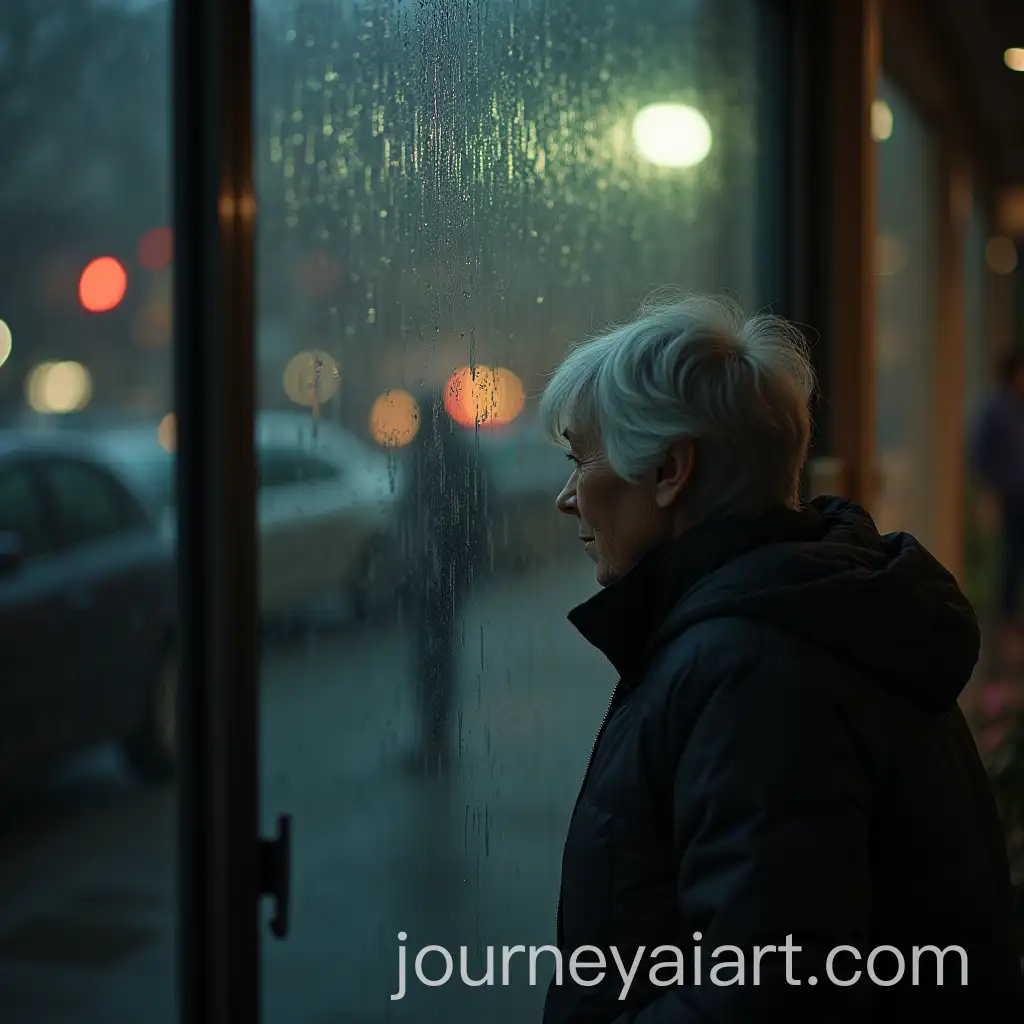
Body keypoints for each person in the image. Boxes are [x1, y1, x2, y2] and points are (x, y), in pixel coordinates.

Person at [537, 293, 1022, 1021]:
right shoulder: (815, 619)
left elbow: (765, 995)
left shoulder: (756, 674)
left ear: (669, 469)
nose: (566, 497)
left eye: (580, 459)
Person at [398, 385, 488, 775]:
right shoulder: (453, 449)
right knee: (436, 649)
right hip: (443, 566)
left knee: (433, 652)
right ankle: (434, 735)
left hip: (439, 567)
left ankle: (434, 737)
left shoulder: (439, 452)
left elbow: (432, 510)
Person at [969, 349, 1024, 652]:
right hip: (1009, 495)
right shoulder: (996, 409)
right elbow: (979, 453)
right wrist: (992, 487)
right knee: (1010, 556)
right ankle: (1005, 616)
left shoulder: (1017, 407)